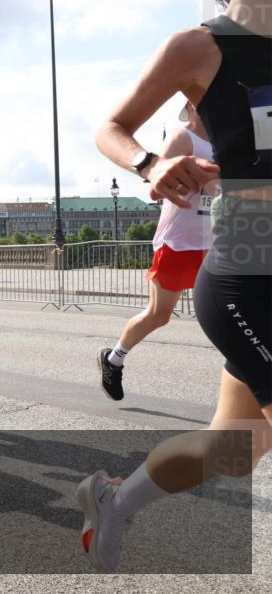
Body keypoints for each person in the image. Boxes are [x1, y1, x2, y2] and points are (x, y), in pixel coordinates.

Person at [79, 0, 272, 573]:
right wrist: (148, 165)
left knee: (235, 449)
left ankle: (115, 498)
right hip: (250, 259)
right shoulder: (201, 47)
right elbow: (112, 128)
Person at [97, 101, 215, 401]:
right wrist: (194, 176)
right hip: (178, 242)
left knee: (233, 312)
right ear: (192, 103)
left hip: (216, 242)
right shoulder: (182, 138)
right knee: (158, 315)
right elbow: (153, 190)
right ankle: (114, 358)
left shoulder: (227, 139)